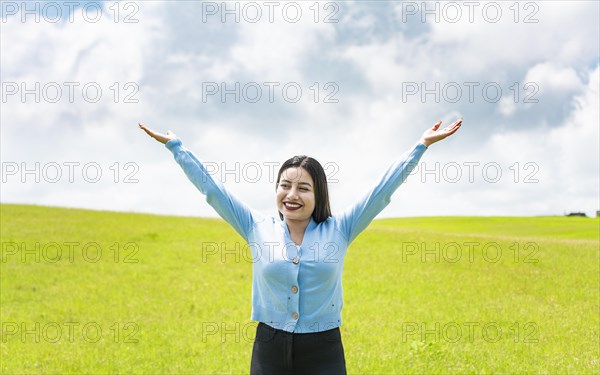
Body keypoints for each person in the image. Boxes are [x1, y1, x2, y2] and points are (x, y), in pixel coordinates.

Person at [139, 118, 462, 374]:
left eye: (303, 188)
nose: (292, 195)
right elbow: (213, 190)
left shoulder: (341, 228)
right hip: (269, 345)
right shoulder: (255, 226)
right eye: (285, 185)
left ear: (318, 194)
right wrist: (176, 147)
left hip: (323, 347)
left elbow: (381, 191)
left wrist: (420, 146)